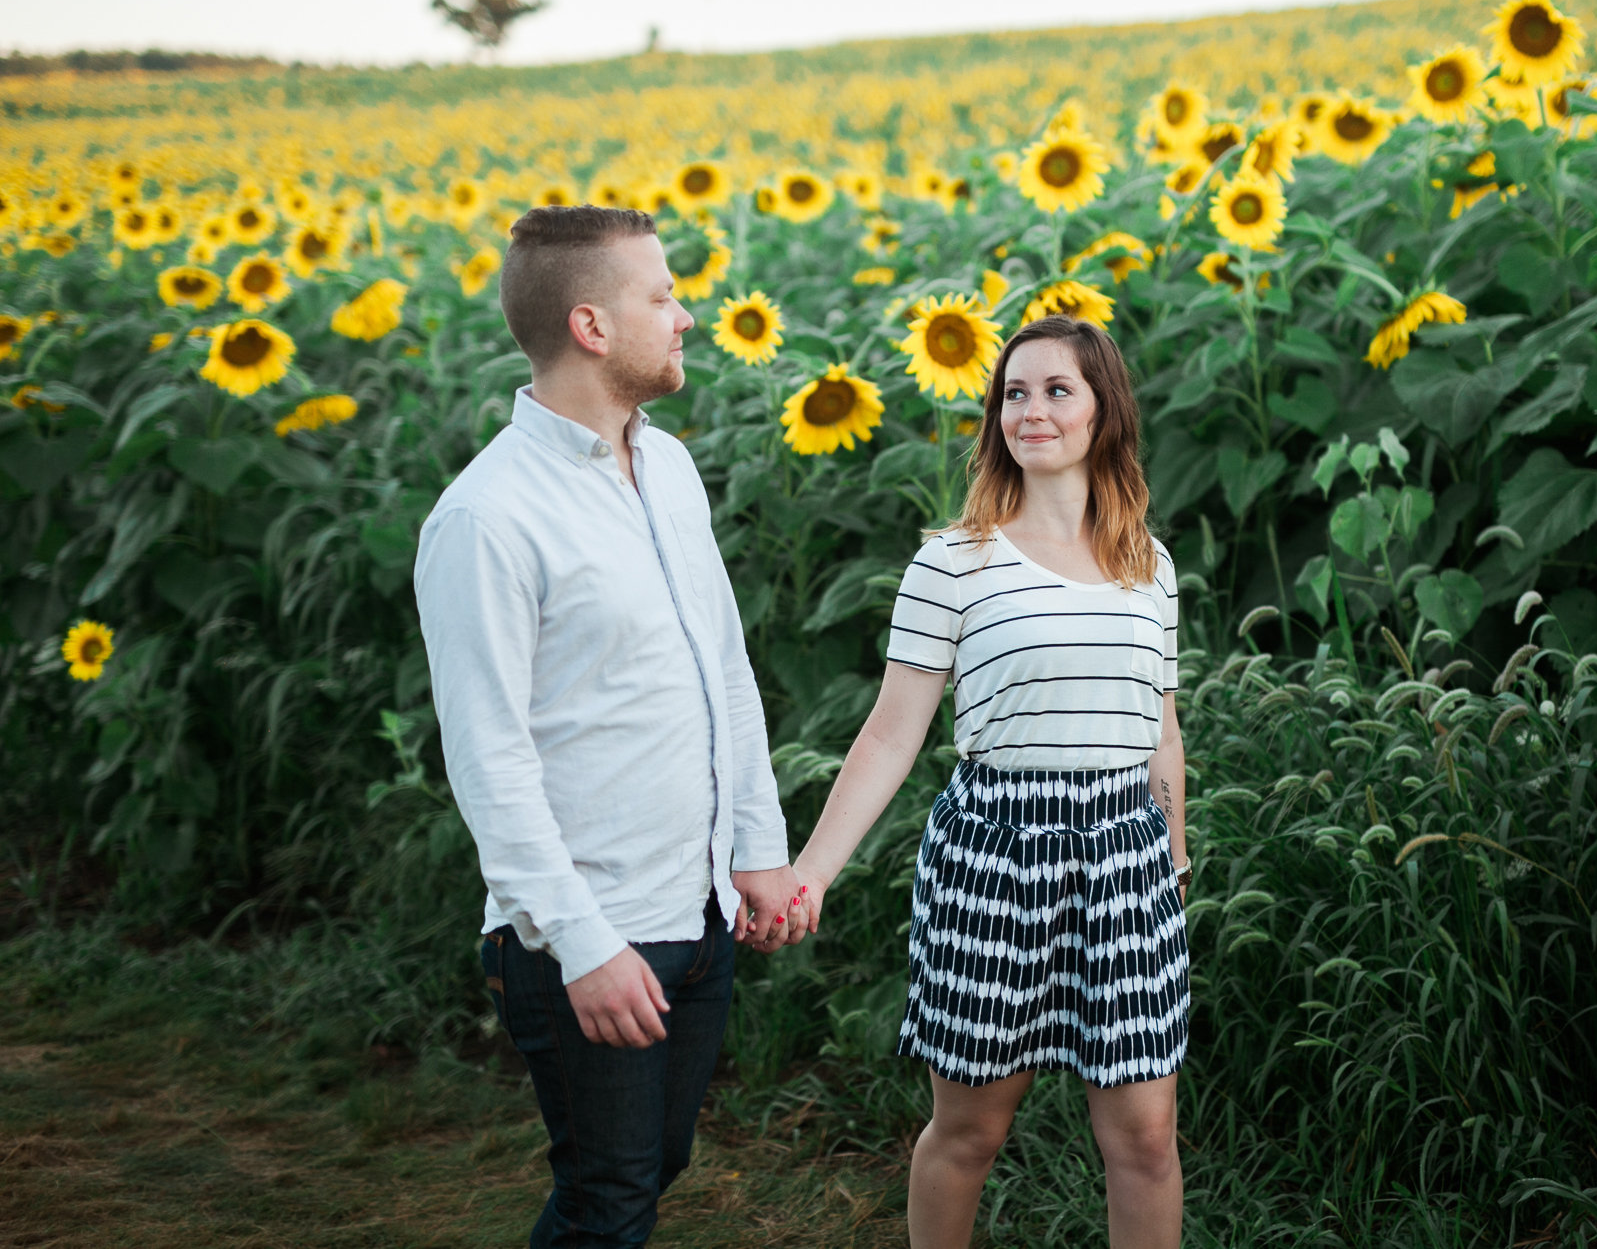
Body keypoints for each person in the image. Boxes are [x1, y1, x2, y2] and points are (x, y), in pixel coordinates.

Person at [414, 204, 808, 1249]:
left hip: (699, 907)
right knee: (608, 1198)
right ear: (591, 326)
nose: (685, 315)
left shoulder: (667, 467)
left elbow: (720, 666)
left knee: (647, 1169)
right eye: (662, 295)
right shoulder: (486, 518)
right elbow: (487, 759)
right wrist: (583, 944)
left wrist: (758, 852)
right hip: (586, 927)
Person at [784, 314, 1191, 1249]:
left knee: (1147, 1136)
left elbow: (1162, 728)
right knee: (972, 1127)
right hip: (996, 845)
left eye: (1058, 391)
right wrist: (812, 870)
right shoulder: (954, 560)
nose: (1032, 410)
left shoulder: (1150, 565)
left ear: (1105, 413)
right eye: (1015, 391)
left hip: (1127, 856)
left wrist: (1171, 863)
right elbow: (891, 733)